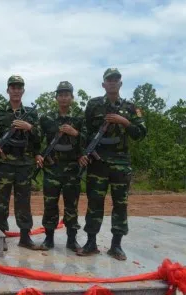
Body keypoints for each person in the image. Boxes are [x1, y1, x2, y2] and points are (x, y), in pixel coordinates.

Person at [77, 68, 147, 260]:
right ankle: (91, 242)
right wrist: (86, 152)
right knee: (94, 203)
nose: (113, 83)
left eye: (116, 80)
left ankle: (116, 245)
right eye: (109, 80)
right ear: (103, 84)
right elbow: (85, 131)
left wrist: (124, 121)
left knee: (120, 204)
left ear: (120, 84)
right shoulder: (94, 105)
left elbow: (140, 133)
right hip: (98, 162)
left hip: (121, 163)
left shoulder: (131, 108)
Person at [0, 75, 41, 251]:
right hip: (4, 163)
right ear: (8, 90)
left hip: (24, 164)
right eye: (13, 87)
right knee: (1, 200)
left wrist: (30, 128)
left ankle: (25, 236)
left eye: (19, 87)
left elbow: (40, 137)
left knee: (23, 201)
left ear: (23, 91)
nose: (16, 90)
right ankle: (0, 235)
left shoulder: (31, 113)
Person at [35, 81, 86, 252]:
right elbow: (37, 138)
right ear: (56, 97)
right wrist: (38, 154)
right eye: (61, 94)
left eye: (67, 94)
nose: (64, 97)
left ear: (72, 97)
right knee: (50, 204)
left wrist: (76, 133)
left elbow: (89, 140)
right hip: (52, 168)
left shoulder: (79, 119)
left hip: (72, 169)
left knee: (71, 205)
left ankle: (72, 241)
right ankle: (48, 239)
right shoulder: (47, 118)